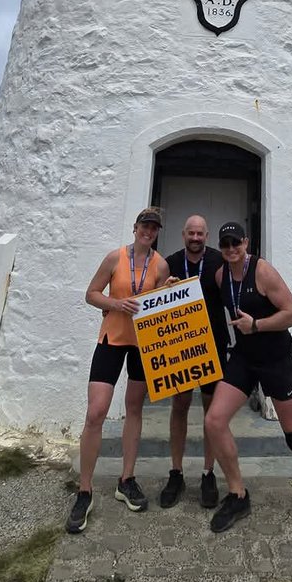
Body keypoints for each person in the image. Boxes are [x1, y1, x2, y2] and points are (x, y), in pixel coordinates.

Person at [203, 221, 292, 547]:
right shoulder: (220, 276)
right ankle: (237, 493)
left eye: (236, 242)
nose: (231, 248)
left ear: (246, 242)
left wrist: (256, 325)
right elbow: (199, 302)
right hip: (243, 360)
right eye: (225, 243)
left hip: (276, 360)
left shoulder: (262, 272)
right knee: (214, 422)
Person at [66, 208, 170, 533]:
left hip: (143, 344)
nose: (148, 232)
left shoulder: (160, 264)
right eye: (145, 226)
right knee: (96, 413)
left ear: (156, 232)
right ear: (135, 227)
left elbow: (162, 301)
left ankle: (126, 479)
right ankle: (85, 490)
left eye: (154, 228)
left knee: (134, 409)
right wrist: (115, 304)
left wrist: (172, 288)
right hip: (112, 339)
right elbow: (91, 294)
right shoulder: (115, 258)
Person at [158, 215, 226, 509]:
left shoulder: (220, 261)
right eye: (191, 233)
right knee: (180, 406)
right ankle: (176, 472)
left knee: (212, 412)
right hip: (181, 348)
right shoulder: (170, 263)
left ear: (206, 235)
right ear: (183, 234)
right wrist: (165, 288)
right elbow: (153, 303)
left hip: (213, 346)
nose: (195, 238)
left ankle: (208, 473)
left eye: (200, 233)